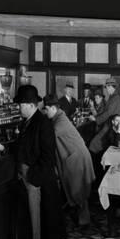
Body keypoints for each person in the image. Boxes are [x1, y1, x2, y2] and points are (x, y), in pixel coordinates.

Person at [0, 85, 67, 239]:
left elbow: (48, 157)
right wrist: (4, 147)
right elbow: (21, 146)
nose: (18, 108)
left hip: (36, 185)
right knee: (25, 230)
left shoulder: (43, 124)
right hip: (25, 183)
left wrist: (32, 179)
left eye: (20, 104)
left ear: (29, 105)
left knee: (37, 233)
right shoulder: (28, 122)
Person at [44, 97, 96, 227]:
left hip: (77, 158)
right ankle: (81, 218)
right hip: (76, 156)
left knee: (79, 190)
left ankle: (84, 222)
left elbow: (48, 137)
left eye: (46, 109)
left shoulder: (60, 121)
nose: (45, 112)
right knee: (78, 189)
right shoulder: (59, 117)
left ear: (54, 108)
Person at [88, 77, 120, 154]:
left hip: (111, 125)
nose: (106, 89)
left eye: (107, 87)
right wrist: (96, 117)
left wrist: (96, 119)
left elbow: (108, 113)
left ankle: (95, 163)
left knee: (94, 143)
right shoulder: (112, 97)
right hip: (109, 124)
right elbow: (105, 112)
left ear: (111, 87)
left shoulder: (115, 97)